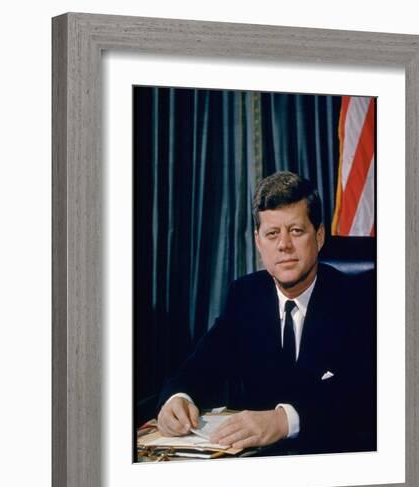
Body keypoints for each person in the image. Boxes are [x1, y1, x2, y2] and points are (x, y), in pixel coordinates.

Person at [156, 171, 376, 455]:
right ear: (259, 243)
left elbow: (365, 396)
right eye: (272, 234)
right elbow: (200, 365)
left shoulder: (359, 300)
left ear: (319, 237)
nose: (283, 244)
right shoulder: (245, 296)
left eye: (296, 231)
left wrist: (284, 420)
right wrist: (177, 397)